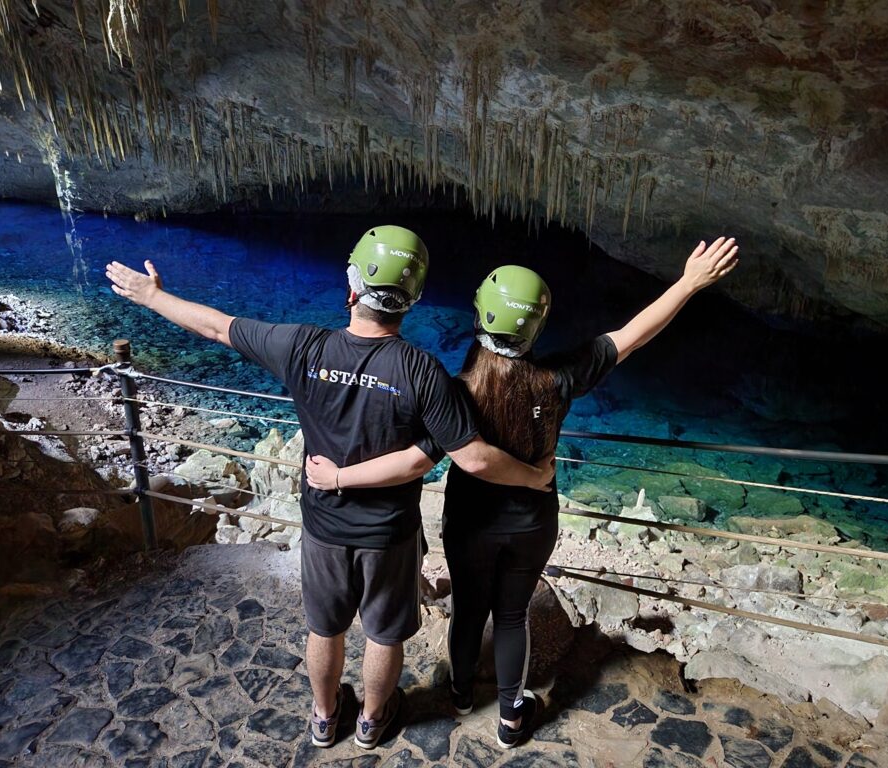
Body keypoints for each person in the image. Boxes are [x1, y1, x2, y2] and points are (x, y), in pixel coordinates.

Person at [105, 225, 554, 750]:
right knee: (384, 634)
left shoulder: (302, 346)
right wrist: (535, 476)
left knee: (325, 629)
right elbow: (471, 457)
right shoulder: (425, 374)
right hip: (388, 535)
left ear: (351, 291)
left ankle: (323, 716)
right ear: (411, 303)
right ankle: (372, 720)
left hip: (322, 525)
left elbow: (218, 328)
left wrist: (152, 296)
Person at [306, 236, 739, 749]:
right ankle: (511, 716)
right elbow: (631, 337)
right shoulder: (558, 379)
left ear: (479, 318)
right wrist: (689, 283)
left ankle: (462, 693)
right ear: (536, 326)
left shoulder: (454, 388)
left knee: (469, 606)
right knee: (512, 613)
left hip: (469, 520)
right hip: (533, 522)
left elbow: (417, 442)